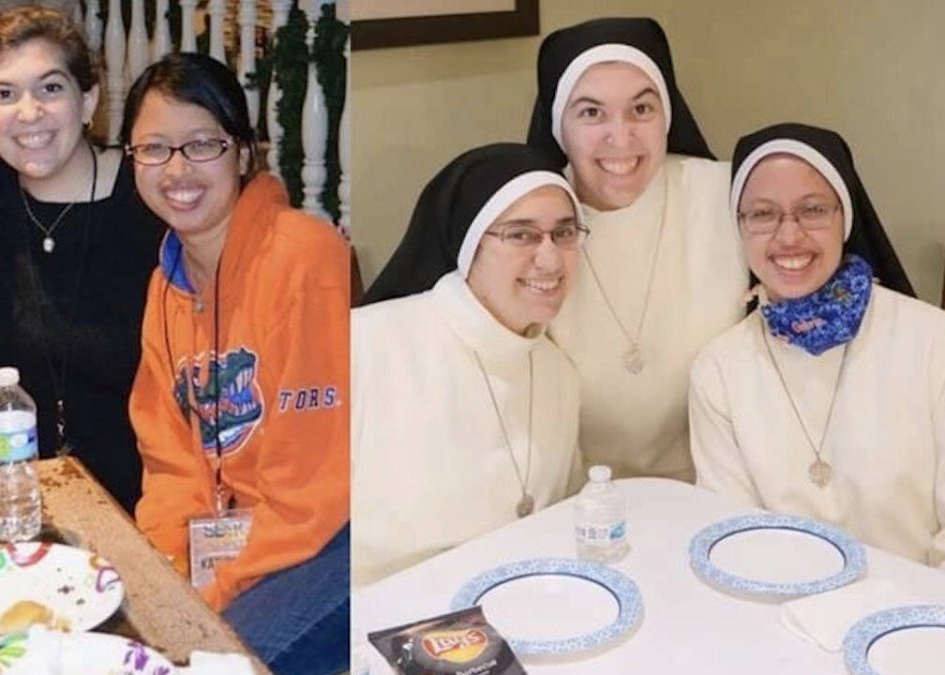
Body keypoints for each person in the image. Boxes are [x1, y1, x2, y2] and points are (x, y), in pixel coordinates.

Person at [122, 53, 349, 675]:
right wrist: (170, 572)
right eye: (154, 149)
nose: (177, 170)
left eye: (202, 145)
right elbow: (167, 457)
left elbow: (312, 489)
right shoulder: (165, 285)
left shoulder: (306, 259)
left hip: (330, 540)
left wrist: (211, 593)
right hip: (236, 541)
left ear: (244, 154)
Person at [515, 16, 751, 482]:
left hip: (719, 485)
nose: (620, 137)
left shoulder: (729, 196)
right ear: (558, 126)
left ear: (668, 114)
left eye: (641, 110)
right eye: (591, 113)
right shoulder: (522, 221)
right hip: (572, 501)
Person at [690, 123, 937, 566]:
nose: (789, 236)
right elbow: (735, 539)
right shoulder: (719, 371)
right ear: (739, 228)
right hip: (782, 617)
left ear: (845, 218)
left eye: (813, 210)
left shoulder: (933, 341)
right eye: (763, 214)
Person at [0, 6, 164, 512]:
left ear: (88, 98)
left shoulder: (152, 196)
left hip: (156, 499)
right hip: (25, 500)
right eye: (4, 94)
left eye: (51, 88)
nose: (30, 113)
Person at [352, 144, 584, 586]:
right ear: (468, 244)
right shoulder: (365, 345)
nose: (551, 259)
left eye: (565, 233)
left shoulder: (560, 375)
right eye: (521, 234)